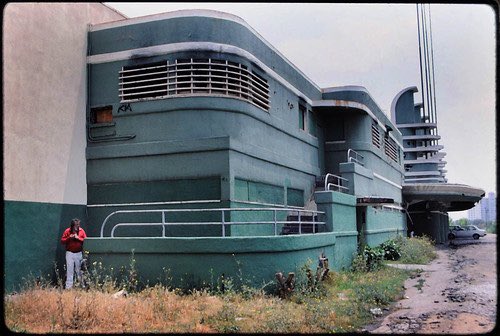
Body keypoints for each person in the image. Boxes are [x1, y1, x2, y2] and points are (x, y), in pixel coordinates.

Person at [60, 218, 87, 289]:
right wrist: (69, 238)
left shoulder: (81, 231)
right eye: (76, 225)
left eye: (78, 224)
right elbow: (62, 241)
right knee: (70, 270)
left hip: (78, 253)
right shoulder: (67, 231)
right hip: (70, 253)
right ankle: (68, 287)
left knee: (79, 270)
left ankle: (81, 286)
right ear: (72, 225)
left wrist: (78, 238)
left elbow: (86, 240)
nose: (77, 226)